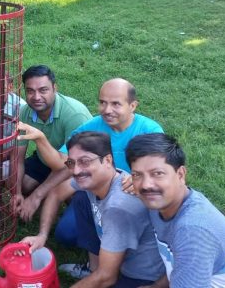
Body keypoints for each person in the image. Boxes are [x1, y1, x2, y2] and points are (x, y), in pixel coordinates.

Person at [33, 78, 165, 278]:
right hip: (97, 189)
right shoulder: (93, 126)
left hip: (134, 199)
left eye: (115, 104)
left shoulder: (150, 131)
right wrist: (40, 139)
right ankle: (96, 263)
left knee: (126, 230)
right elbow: (61, 162)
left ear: (133, 105)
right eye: (102, 102)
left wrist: (139, 180)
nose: (106, 109)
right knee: (66, 234)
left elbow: (163, 174)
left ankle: (120, 265)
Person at [20, 132, 165, 288]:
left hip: (139, 277)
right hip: (116, 254)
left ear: (108, 160)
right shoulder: (104, 179)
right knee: (82, 199)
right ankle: (93, 269)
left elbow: (107, 277)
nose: (75, 171)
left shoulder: (118, 208)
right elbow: (56, 193)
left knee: (104, 278)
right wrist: (42, 235)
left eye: (85, 162)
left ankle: (97, 272)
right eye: (71, 163)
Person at [126, 133, 225, 288]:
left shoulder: (192, 230)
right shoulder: (164, 201)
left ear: (180, 174)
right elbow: (179, 265)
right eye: (137, 175)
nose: (146, 184)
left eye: (157, 174)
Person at [13, 65, 92, 222]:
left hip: (78, 163)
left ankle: (51, 197)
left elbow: (71, 165)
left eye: (43, 90)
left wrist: (37, 196)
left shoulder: (74, 115)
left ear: (54, 88)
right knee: (23, 184)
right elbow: (18, 157)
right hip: (46, 158)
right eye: (30, 91)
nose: (36, 97)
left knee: (73, 198)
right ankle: (46, 192)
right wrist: (17, 193)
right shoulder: (24, 112)